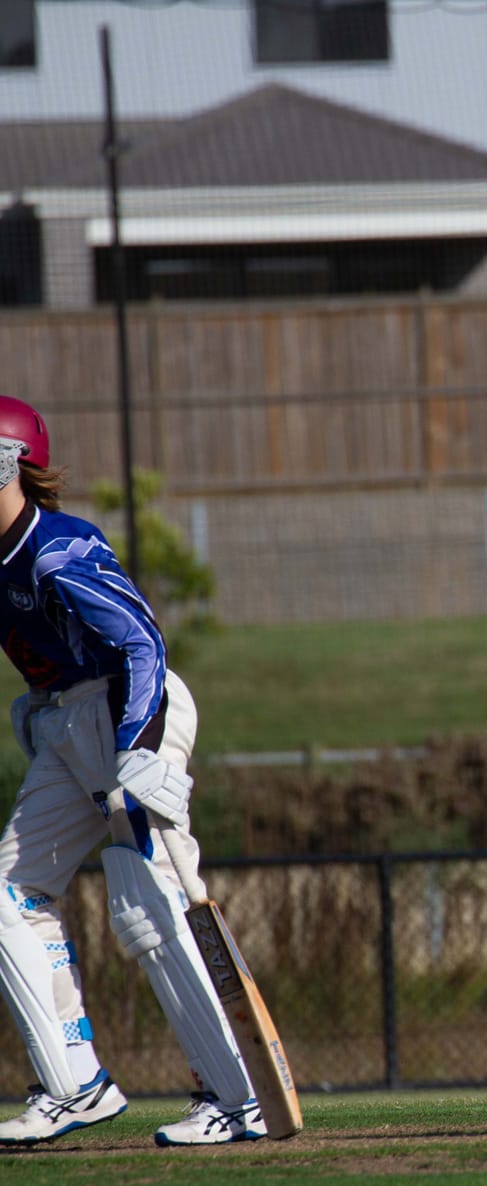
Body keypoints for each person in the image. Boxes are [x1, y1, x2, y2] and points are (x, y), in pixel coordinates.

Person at [0, 395, 267, 1147]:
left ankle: (237, 1095)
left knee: (148, 900)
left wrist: (139, 750)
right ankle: (75, 1083)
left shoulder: (57, 547)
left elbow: (143, 643)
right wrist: (41, 704)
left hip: (131, 714)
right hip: (70, 730)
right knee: (10, 895)